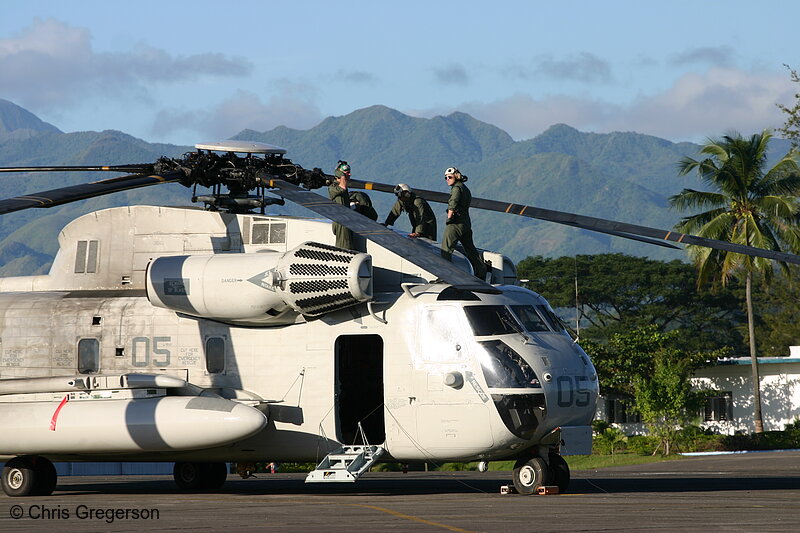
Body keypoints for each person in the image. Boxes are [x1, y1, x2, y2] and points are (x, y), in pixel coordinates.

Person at [441, 167, 487, 280]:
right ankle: (481, 272)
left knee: (446, 250)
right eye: (445, 177)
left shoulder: (456, 189)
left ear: (456, 176)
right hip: (466, 224)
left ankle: (445, 276)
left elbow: (453, 202)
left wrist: (449, 217)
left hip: (455, 224)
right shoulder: (465, 188)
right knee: (471, 250)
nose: (447, 179)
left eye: (449, 177)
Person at [328, 160, 355, 250]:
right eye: (347, 173)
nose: (350, 175)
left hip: (345, 220)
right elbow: (342, 188)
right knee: (345, 247)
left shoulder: (341, 187)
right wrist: (341, 174)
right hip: (341, 222)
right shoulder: (333, 188)